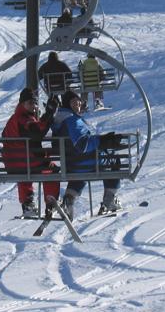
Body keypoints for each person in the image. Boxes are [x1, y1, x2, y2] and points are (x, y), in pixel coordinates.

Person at [52, 90, 125, 219]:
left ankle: (69, 198)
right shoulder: (71, 120)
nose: (78, 106)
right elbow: (82, 145)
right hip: (83, 161)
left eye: (79, 103)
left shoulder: (60, 120)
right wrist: (101, 141)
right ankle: (109, 201)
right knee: (113, 160)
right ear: (67, 104)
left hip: (72, 164)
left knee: (81, 173)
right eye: (74, 102)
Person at [2, 88, 60, 218]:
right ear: (22, 104)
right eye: (30, 103)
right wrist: (49, 114)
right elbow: (37, 133)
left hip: (13, 165)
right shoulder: (24, 119)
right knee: (51, 169)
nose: (33, 106)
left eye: (35, 103)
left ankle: (28, 204)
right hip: (27, 163)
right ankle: (51, 203)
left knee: (25, 171)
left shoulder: (14, 119)